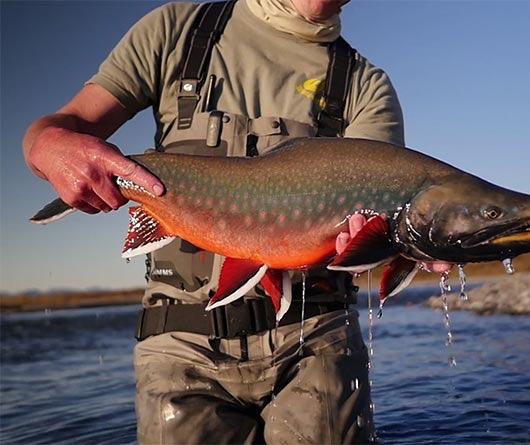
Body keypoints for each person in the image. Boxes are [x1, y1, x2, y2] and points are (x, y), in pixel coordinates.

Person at [23, 0, 447, 443]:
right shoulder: (179, 29)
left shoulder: (365, 85)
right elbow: (63, 127)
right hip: (180, 346)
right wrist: (47, 145)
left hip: (316, 340)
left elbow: (379, 218)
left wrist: (409, 240)